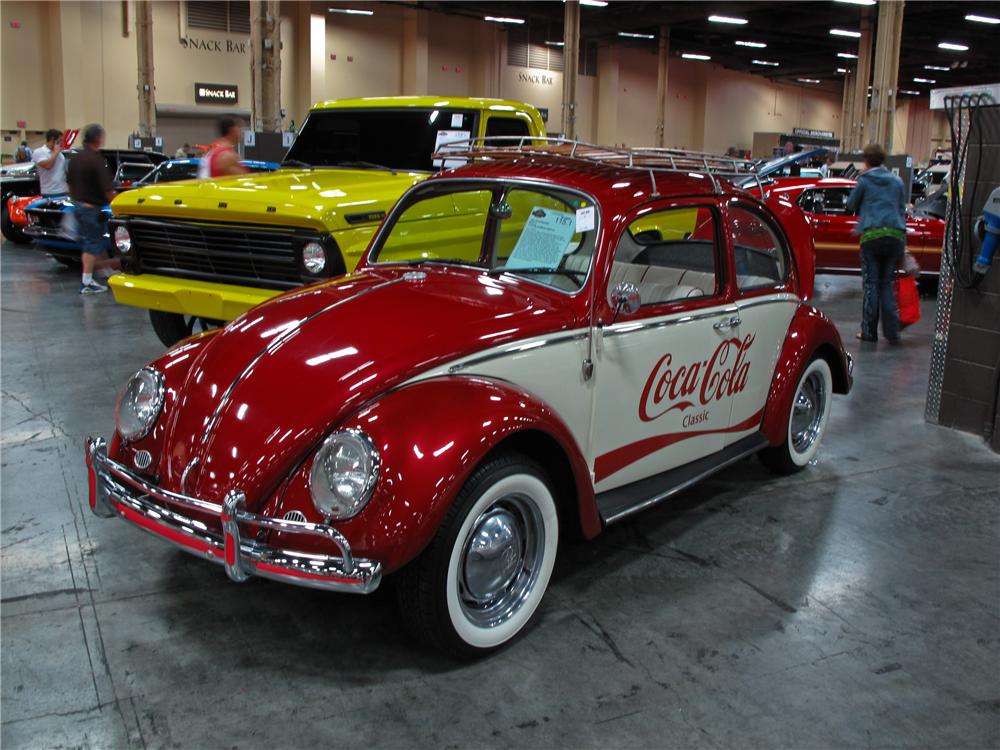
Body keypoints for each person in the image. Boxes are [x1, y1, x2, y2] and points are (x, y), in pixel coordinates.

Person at [846, 143, 907, 344]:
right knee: (886, 284)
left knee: (871, 285)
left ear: (866, 160)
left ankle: (869, 332)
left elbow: (851, 205)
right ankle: (892, 332)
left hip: (872, 236)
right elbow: (901, 209)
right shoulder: (897, 181)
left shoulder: (864, 180)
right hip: (895, 236)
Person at [67, 124, 118, 295]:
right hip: (90, 208)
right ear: (98, 139)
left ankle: (106, 272)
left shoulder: (76, 158)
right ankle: (87, 282)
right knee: (91, 244)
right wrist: (119, 204)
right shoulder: (96, 160)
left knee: (94, 242)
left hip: (78, 206)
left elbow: (69, 182)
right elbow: (107, 189)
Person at [31, 129, 69, 198]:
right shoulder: (39, 152)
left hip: (63, 191)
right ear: (52, 139)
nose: (62, 143)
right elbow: (48, 165)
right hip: (50, 192)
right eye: (59, 140)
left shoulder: (60, 154)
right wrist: (56, 152)